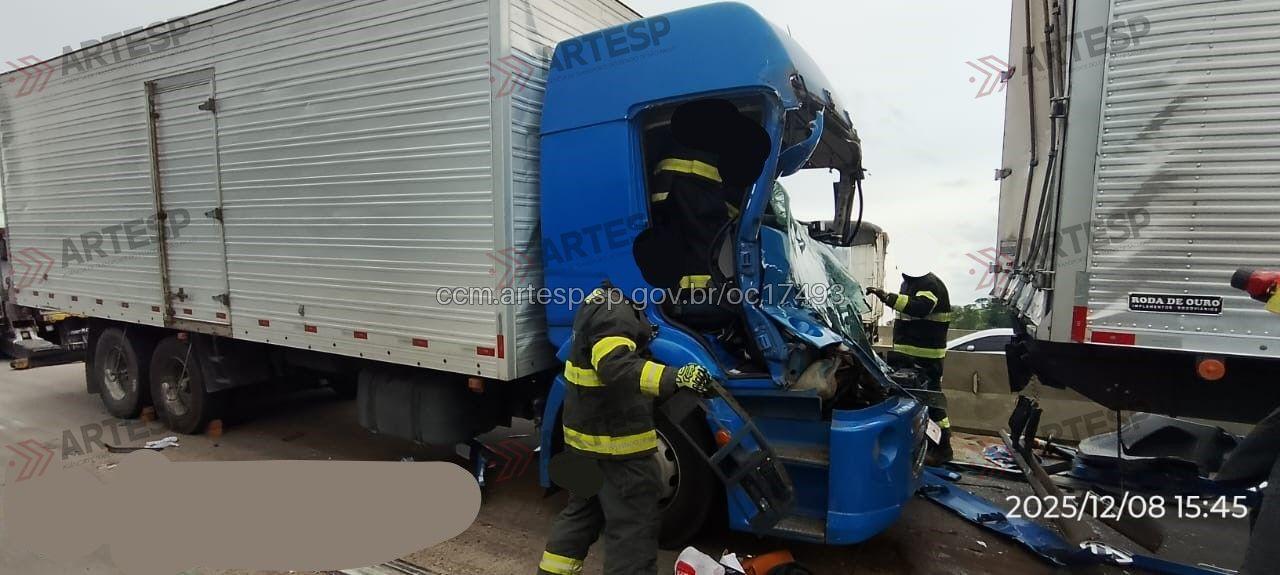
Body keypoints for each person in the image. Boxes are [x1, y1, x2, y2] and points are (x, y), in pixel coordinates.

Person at [538, 283, 714, 575]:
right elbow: (614, 366)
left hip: (585, 444)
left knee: (582, 515)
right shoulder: (615, 312)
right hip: (616, 448)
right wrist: (675, 377)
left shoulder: (600, 301)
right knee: (633, 528)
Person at [866, 272, 954, 464]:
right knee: (914, 405)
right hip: (907, 356)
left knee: (932, 404)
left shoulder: (929, 283)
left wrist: (887, 298)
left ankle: (943, 449)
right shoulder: (909, 283)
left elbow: (920, 308)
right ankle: (919, 444)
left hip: (926, 358)